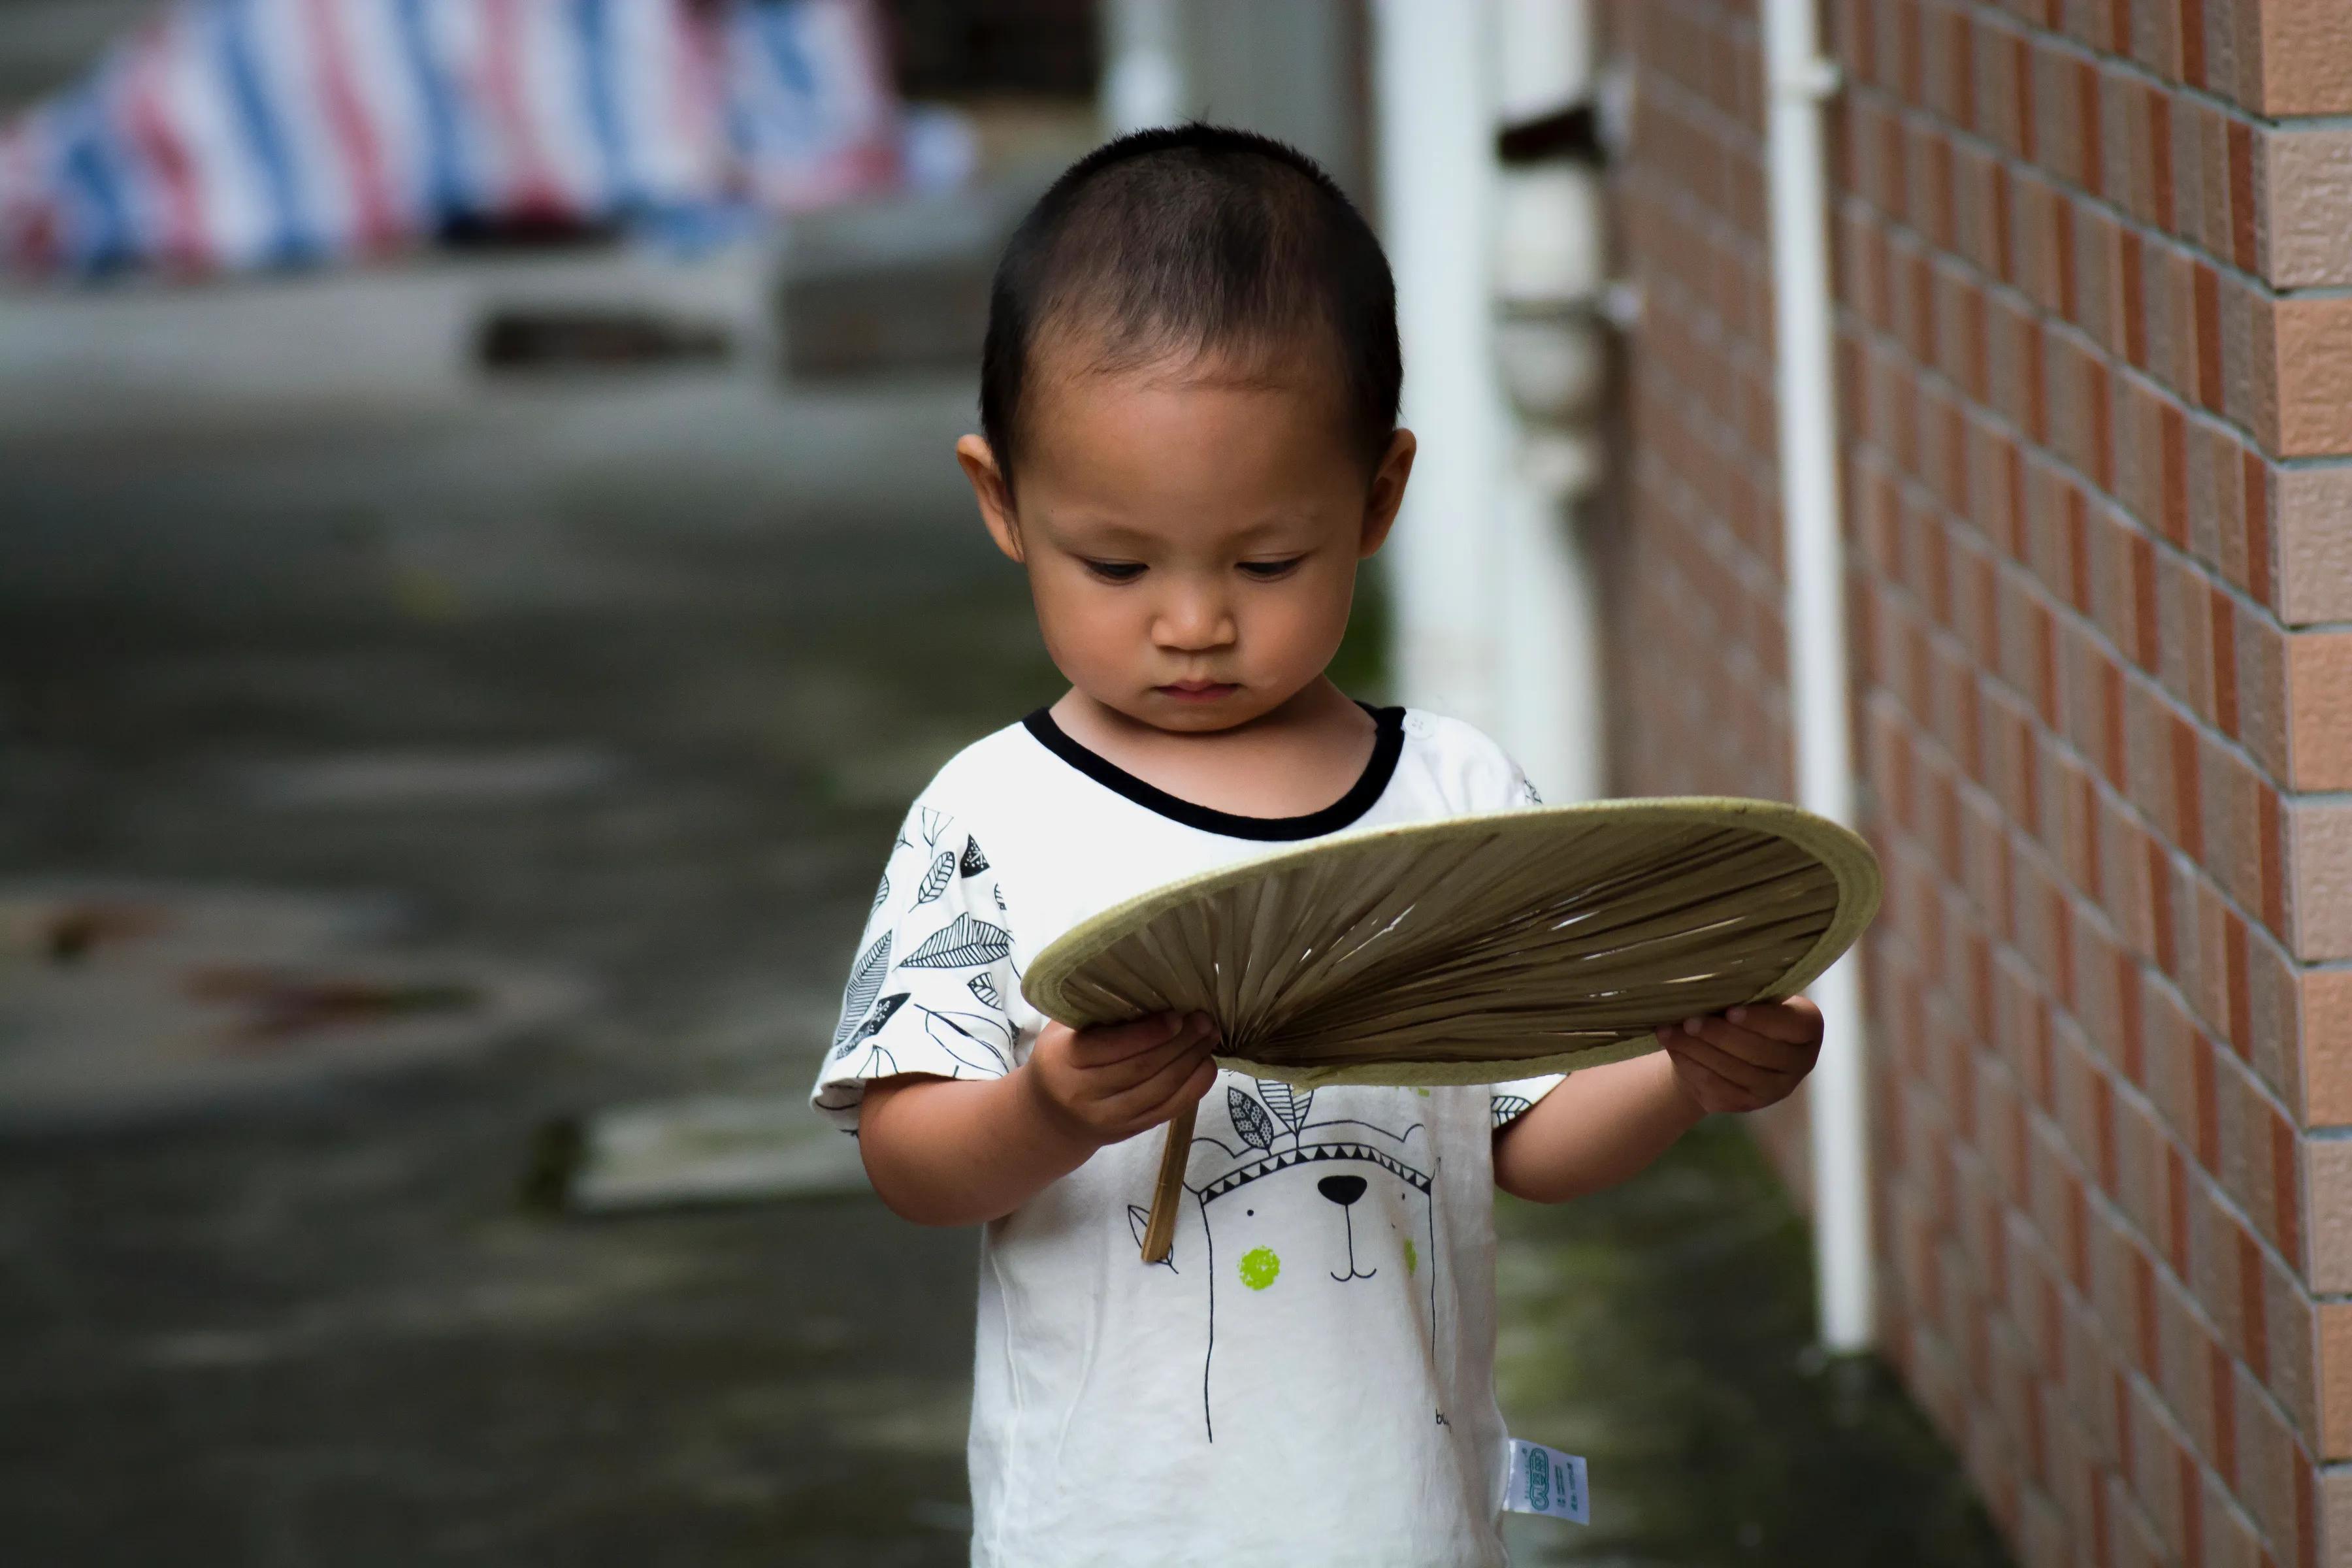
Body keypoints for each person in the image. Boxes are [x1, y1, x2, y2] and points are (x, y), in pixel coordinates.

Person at [809, 123, 1824, 1567]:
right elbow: (910, 1161)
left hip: (1403, 1517)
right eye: (1119, 563)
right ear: (1003, 503)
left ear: (1378, 499)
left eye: (1267, 561)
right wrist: (1047, 1110)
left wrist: (1682, 1077)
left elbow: (1528, 1135)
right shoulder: (990, 817)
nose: (1194, 622)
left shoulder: (1457, 800)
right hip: (1111, 1532)